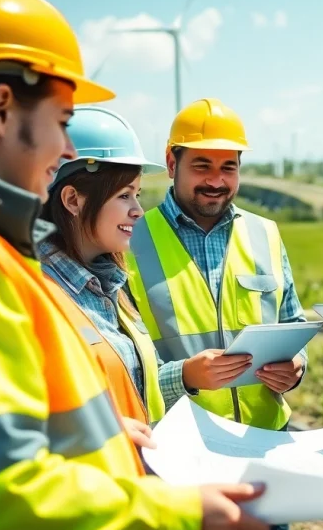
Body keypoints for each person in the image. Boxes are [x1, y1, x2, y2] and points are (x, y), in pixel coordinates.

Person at [0, 0, 270, 530]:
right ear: (0, 110)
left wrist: (95, 440)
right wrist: (176, 518)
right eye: (62, 121)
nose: (65, 148)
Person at [125, 97, 309, 530]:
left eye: (229, 167)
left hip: (263, 453)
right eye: (202, 165)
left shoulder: (265, 233)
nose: (216, 180)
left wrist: (297, 367)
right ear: (172, 163)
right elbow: (119, 358)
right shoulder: (129, 239)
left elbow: (292, 319)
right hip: (177, 461)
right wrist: (185, 376)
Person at [40, 105, 242, 439]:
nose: (137, 210)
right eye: (124, 196)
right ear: (73, 200)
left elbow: (138, 387)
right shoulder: (35, 294)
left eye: (136, 194)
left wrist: (188, 375)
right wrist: (101, 434)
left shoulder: (111, 290)